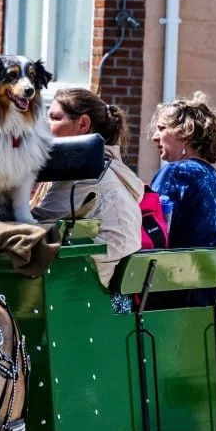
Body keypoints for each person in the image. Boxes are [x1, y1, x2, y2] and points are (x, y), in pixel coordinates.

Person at [36, 87, 142, 289]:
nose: (45, 127)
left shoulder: (86, 175)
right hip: (96, 288)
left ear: (83, 124)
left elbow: (33, 227)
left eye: (55, 118)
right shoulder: (112, 170)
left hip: (73, 287)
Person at [149, 92, 216, 307]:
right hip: (206, 292)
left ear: (185, 132)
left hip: (172, 293)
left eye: (162, 128)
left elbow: (153, 233)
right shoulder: (214, 177)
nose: (155, 136)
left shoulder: (176, 173)